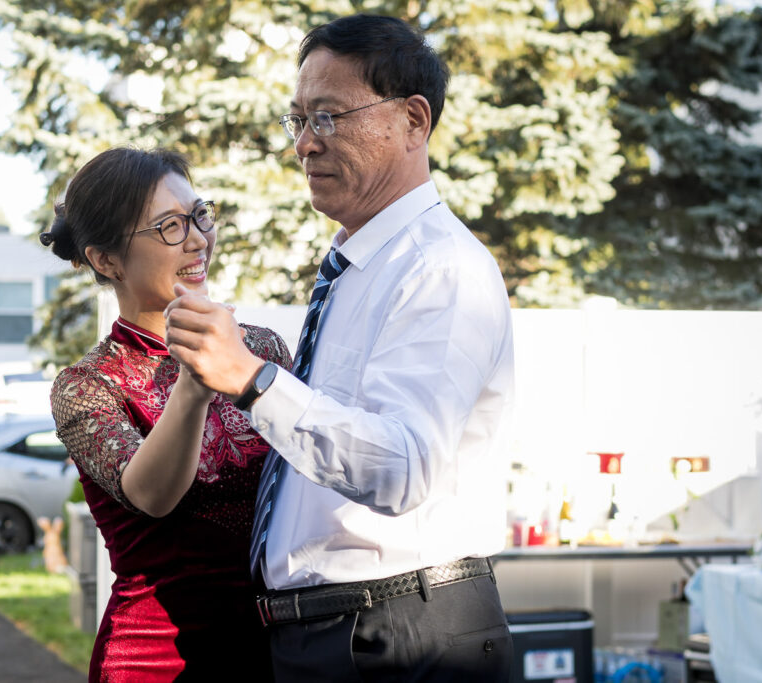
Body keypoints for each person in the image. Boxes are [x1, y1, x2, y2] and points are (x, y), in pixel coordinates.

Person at [164, 14, 515, 682]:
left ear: (414, 120)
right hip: (340, 632)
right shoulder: (356, 268)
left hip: (399, 635)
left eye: (326, 117)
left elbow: (404, 466)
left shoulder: (442, 267)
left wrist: (255, 380)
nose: (303, 144)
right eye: (296, 120)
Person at [42, 147, 289, 681]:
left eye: (200, 215)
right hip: (156, 658)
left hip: (281, 645)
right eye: (169, 226)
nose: (199, 238)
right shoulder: (87, 385)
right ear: (107, 260)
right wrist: (192, 388)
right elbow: (150, 497)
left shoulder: (264, 349)